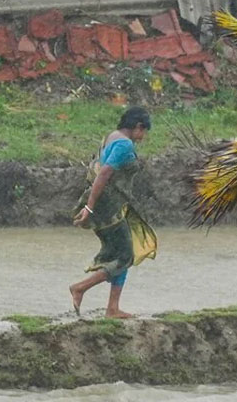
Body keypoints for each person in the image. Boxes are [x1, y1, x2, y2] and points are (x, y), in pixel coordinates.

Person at [69, 106, 157, 319]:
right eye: (143, 131)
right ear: (137, 127)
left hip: (109, 204)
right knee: (126, 256)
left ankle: (113, 308)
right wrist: (89, 207)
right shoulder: (124, 145)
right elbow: (104, 174)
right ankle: (80, 288)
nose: (143, 137)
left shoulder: (112, 136)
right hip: (107, 207)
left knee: (122, 252)